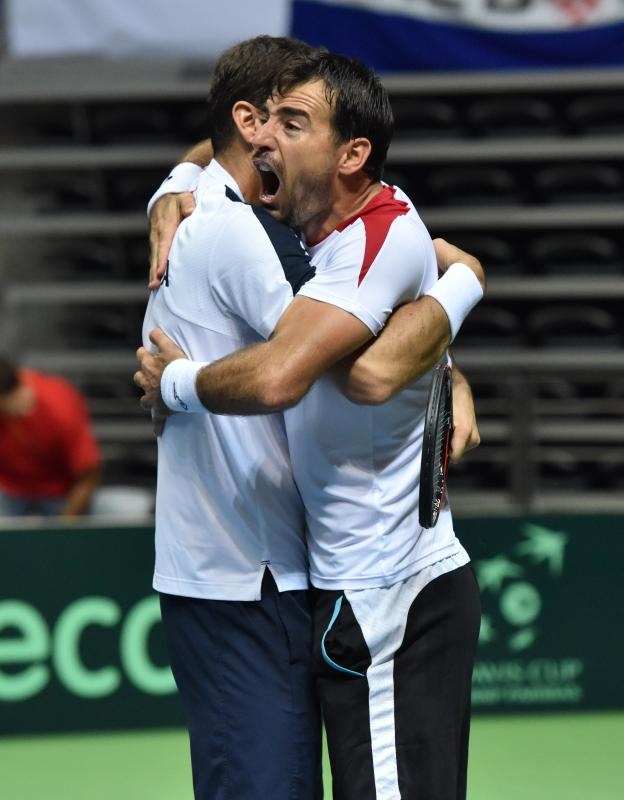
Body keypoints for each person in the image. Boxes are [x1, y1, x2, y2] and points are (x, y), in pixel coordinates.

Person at [137, 47, 484, 800]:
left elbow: (333, 373)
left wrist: (174, 381)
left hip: (390, 595)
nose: (267, 140)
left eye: (291, 124)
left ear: (350, 153)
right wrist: (179, 180)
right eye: (263, 123)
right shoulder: (316, 224)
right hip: (348, 593)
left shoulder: (371, 240)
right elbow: (222, 150)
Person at [0, 354, 101, 517]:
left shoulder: (60, 407)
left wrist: (64, 526)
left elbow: (88, 474)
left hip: (60, 494)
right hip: (9, 491)